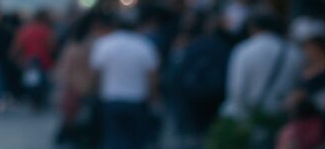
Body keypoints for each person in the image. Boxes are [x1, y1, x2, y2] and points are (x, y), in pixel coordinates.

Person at [223, 11, 302, 140]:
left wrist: (241, 119)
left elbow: (236, 89)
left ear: (253, 27)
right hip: (283, 119)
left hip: (251, 118)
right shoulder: (293, 52)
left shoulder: (244, 50)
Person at [90, 11, 160, 149]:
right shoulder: (145, 45)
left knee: (114, 138)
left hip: (111, 98)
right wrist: (154, 97)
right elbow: (153, 76)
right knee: (136, 139)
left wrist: (93, 92)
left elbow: (96, 73)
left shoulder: (105, 44)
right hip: (137, 99)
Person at [171, 13, 230, 145]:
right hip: (215, 95)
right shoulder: (222, 47)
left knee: (195, 133)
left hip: (194, 96)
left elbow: (180, 75)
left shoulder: (192, 47)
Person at [55, 12, 100, 147]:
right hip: (83, 89)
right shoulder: (90, 46)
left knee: (74, 120)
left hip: (75, 88)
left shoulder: (73, 46)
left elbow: (63, 70)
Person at [276, 33, 325, 149]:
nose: (307, 52)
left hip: (316, 118)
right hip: (300, 117)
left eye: (310, 48)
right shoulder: (306, 66)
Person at [14, 9, 56, 110]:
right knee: (44, 82)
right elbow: (52, 46)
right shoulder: (46, 30)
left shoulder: (25, 30)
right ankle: (41, 100)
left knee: (30, 81)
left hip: (29, 61)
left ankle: (33, 99)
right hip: (43, 61)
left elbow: (18, 46)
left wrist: (17, 58)